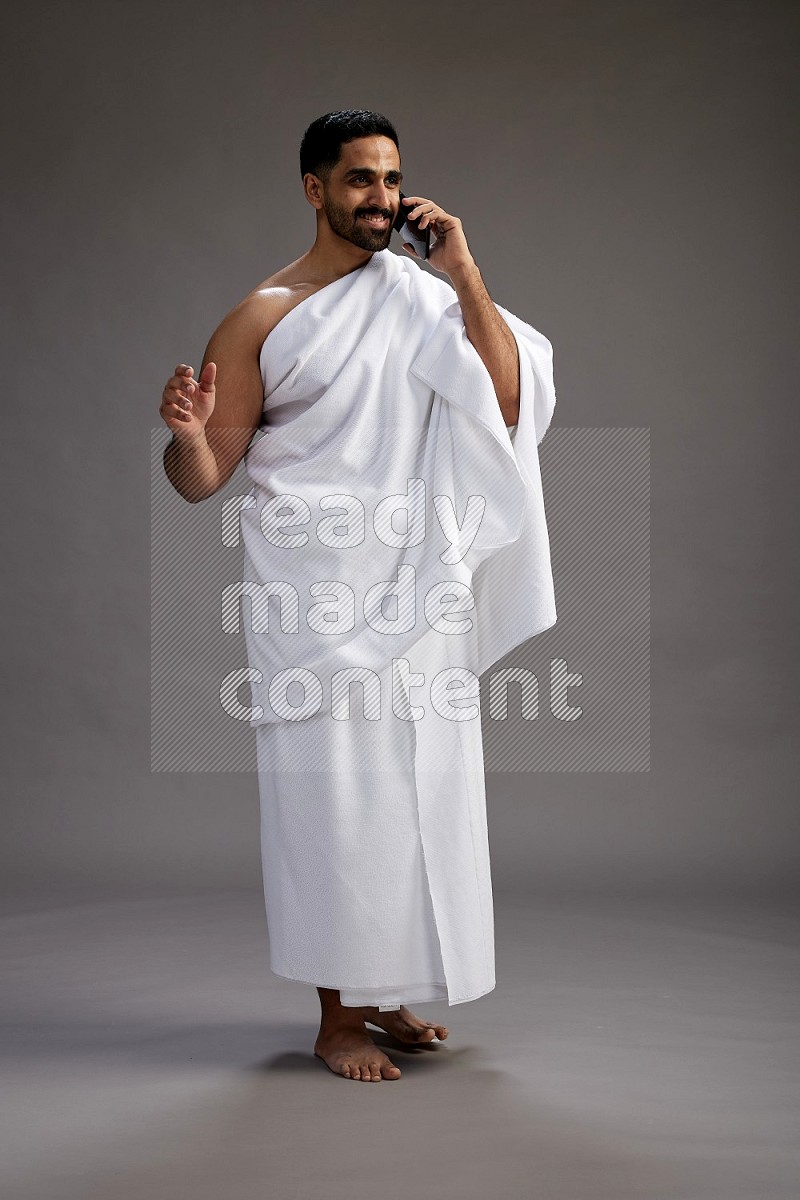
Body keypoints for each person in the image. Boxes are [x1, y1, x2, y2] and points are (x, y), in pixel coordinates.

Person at [160, 109, 556, 1082]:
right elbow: (204, 478)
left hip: (418, 590)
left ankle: (383, 996)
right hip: (316, 601)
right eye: (358, 180)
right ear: (313, 189)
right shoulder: (265, 316)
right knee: (334, 806)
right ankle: (335, 1017)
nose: (380, 198)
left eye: (389, 179)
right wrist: (184, 434)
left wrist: (461, 270)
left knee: (420, 795)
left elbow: (507, 405)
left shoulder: (426, 297)